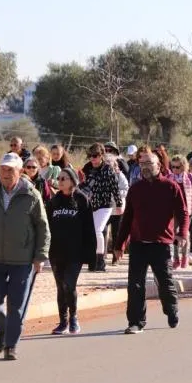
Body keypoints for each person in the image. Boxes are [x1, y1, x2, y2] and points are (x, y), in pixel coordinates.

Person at [0, 153, 50, 360]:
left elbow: (43, 228)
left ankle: (10, 345)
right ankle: (4, 330)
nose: (5, 173)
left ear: (20, 171)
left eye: (10, 170)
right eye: (3, 169)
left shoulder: (31, 195)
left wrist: (40, 256)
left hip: (22, 260)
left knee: (17, 305)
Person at [114, 152, 188, 334]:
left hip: (161, 244)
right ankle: (136, 322)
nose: (145, 166)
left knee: (165, 281)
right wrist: (119, 245)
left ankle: (171, 311)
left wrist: (182, 233)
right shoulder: (135, 189)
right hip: (138, 243)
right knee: (135, 284)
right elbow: (127, 218)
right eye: (142, 163)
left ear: (159, 165)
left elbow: (183, 213)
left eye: (149, 163)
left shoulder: (171, 187)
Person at [47, 167, 96, 335]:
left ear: (72, 181)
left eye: (63, 179)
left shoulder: (82, 200)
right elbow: (47, 227)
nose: (60, 181)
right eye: (59, 179)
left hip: (75, 252)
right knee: (61, 287)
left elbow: (90, 229)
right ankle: (63, 321)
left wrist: (91, 255)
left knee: (69, 284)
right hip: (56, 252)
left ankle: (73, 317)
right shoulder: (53, 201)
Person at [81, 143, 121, 272]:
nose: (92, 158)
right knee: (92, 232)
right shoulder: (87, 168)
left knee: (98, 230)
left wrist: (119, 204)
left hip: (105, 205)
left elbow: (115, 187)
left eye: (95, 155)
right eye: (90, 156)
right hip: (91, 205)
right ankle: (93, 260)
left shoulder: (108, 169)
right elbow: (84, 185)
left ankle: (100, 261)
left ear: (101, 155)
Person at [169, 155, 192, 269]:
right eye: (172, 167)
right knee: (173, 234)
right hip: (172, 211)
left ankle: (185, 257)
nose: (175, 169)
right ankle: (176, 258)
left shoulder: (190, 177)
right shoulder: (169, 177)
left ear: (183, 166)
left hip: (186, 211)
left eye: (177, 167)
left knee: (185, 234)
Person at [105, 154, 129, 265]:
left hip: (118, 209)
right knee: (102, 231)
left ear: (115, 166)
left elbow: (125, 189)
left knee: (117, 234)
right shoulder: (102, 176)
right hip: (105, 208)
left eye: (110, 165)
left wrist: (115, 194)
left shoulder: (120, 176)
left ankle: (115, 257)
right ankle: (101, 255)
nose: (108, 167)